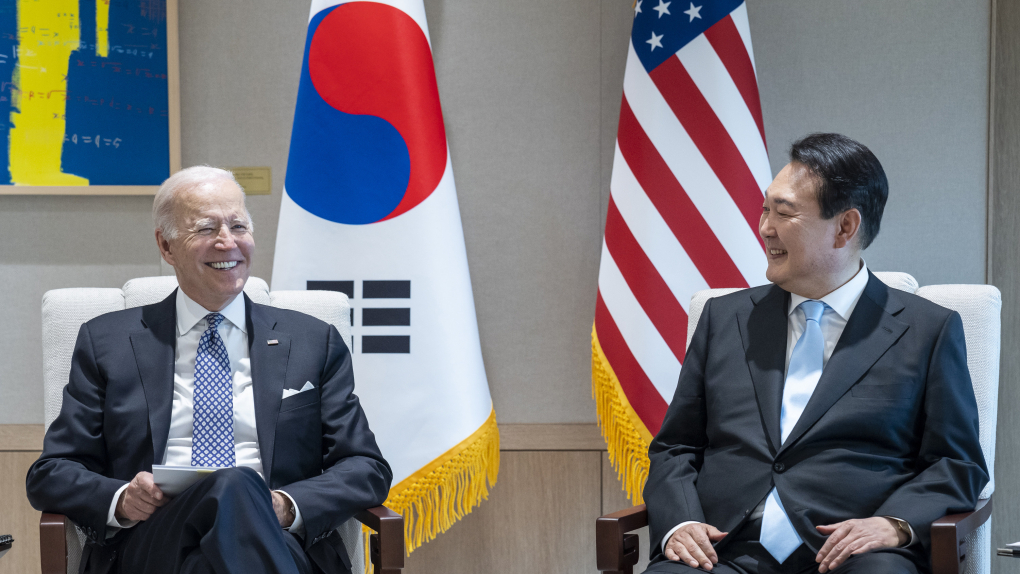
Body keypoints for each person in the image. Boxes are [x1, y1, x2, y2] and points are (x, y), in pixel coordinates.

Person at [643, 133, 988, 574]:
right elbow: (675, 446)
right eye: (765, 209)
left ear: (845, 227)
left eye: (784, 212)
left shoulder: (927, 330)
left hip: (853, 555)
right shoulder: (724, 318)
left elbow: (956, 462)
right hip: (724, 550)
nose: (765, 227)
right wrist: (680, 523)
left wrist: (894, 523)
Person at [26, 166, 392, 574]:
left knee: (222, 526)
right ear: (166, 246)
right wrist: (123, 498)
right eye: (206, 228)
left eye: (239, 226)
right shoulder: (107, 343)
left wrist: (285, 506)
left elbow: (366, 468)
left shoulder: (312, 340)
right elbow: (51, 472)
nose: (227, 242)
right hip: (152, 542)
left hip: (279, 538)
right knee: (234, 483)